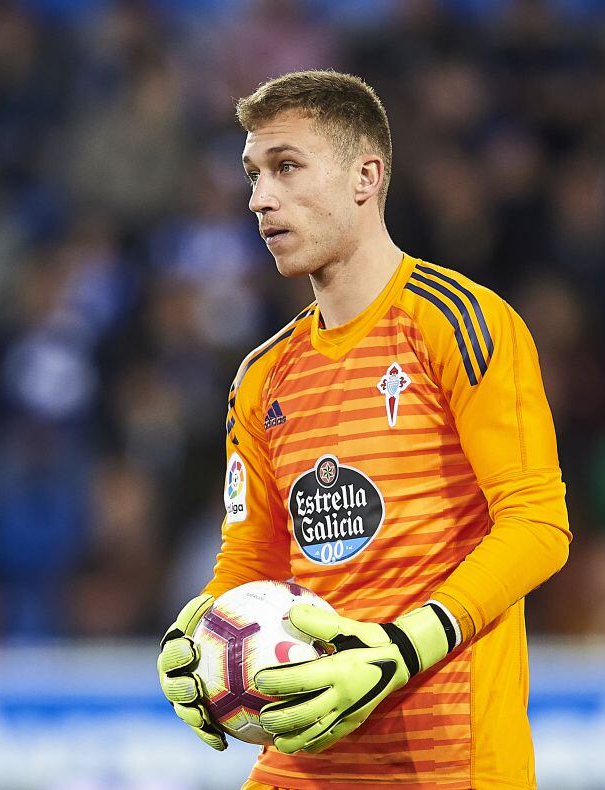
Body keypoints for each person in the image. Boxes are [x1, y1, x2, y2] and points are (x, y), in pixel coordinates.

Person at [157, 70, 571, 789]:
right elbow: (251, 558)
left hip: (450, 756)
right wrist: (199, 633)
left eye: (286, 168)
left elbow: (539, 525)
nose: (260, 199)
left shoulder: (463, 322)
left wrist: (399, 649)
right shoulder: (261, 377)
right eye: (254, 174)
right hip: (304, 748)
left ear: (365, 177)